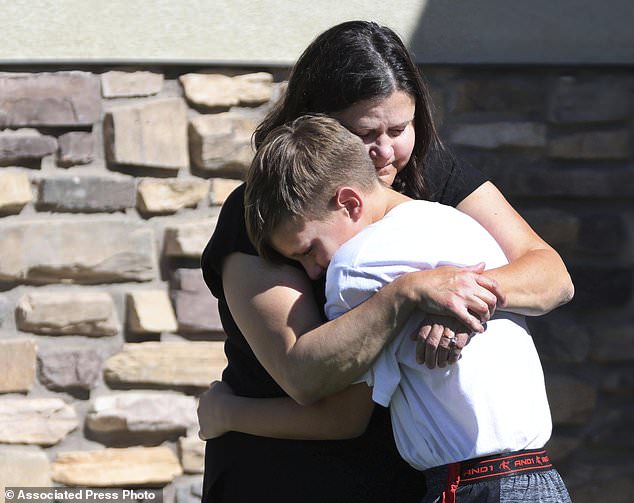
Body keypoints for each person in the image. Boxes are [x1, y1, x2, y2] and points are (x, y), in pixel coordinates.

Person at [198, 20, 574, 503]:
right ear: (319, 129)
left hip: (420, 479)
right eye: (363, 133)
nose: (383, 152)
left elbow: (551, 275)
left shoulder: (429, 176)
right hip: (286, 477)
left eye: (399, 128)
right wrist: (411, 292)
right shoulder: (272, 213)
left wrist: (461, 299)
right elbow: (303, 375)